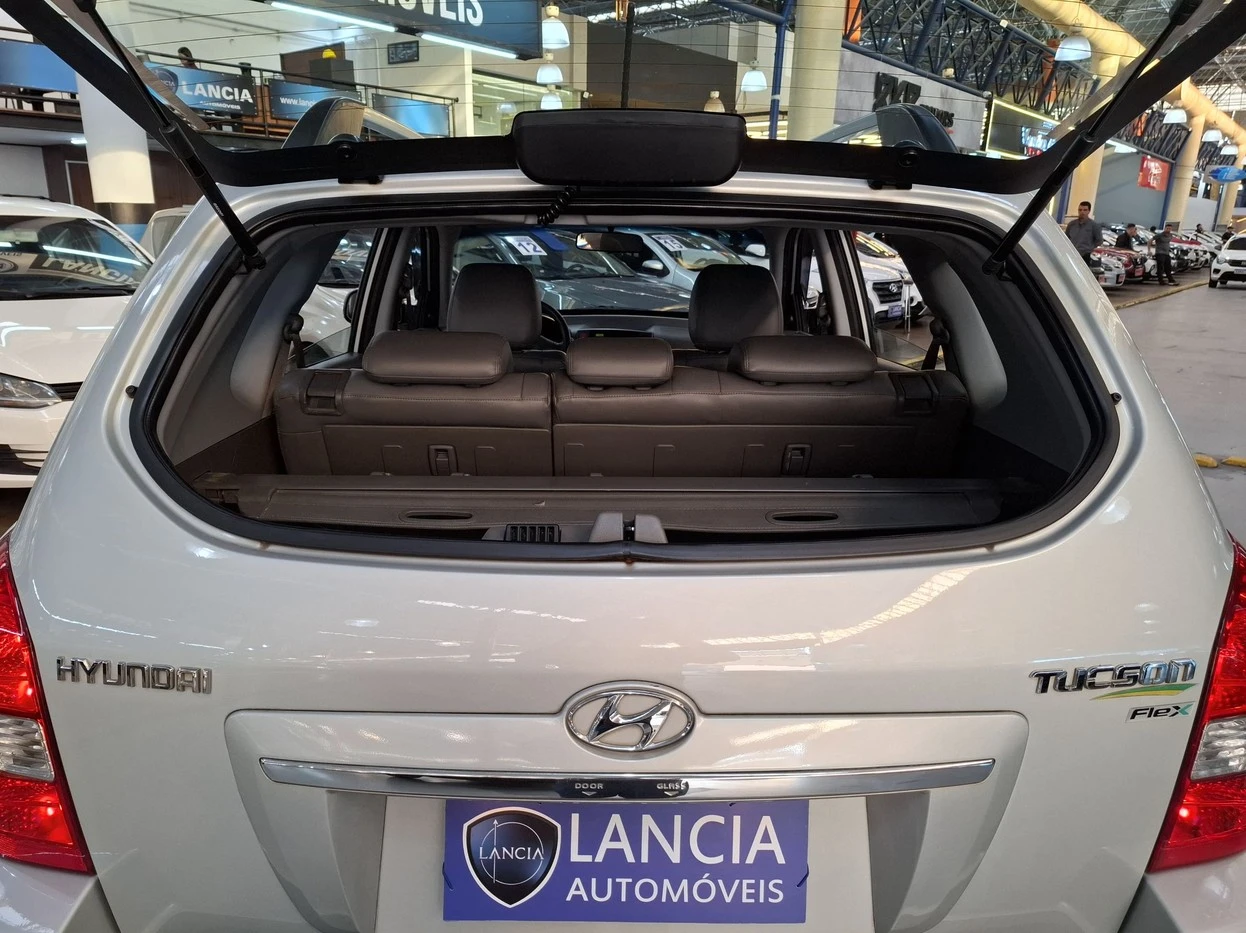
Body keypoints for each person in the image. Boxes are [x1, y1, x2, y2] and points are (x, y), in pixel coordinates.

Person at [1065, 201, 1103, 266]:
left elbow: (1099, 241)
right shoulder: (1072, 224)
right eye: (1080, 210)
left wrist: (1089, 248)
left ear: (1089, 211)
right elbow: (1066, 238)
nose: (1082, 212)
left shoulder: (1094, 226)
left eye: (1085, 210)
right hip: (1071, 255)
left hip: (1085, 256)